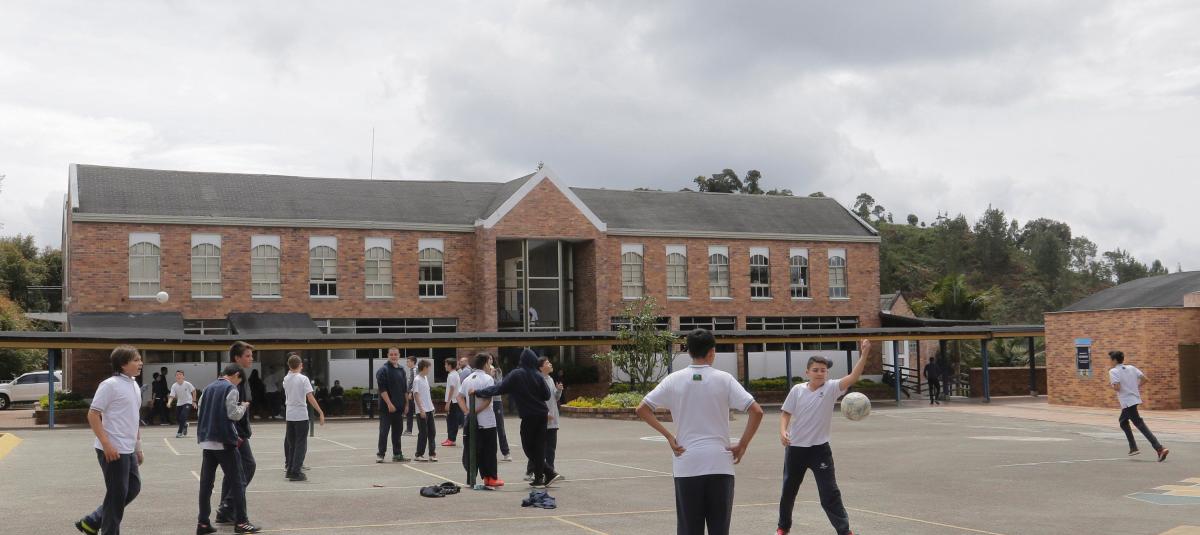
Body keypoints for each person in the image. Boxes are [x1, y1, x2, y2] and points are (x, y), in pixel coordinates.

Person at [636, 329, 764, 535]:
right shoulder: (724, 379)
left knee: (689, 529)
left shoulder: (674, 380)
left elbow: (642, 409)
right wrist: (742, 445)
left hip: (687, 463)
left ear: (688, 351)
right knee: (719, 529)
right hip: (720, 464)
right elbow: (756, 411)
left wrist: (669, 436)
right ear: (712, 352)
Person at [776, 339, 872, 535]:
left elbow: (853, 376)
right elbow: (786, 413)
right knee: (788, 491)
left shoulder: (831, 388)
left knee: (829, 492)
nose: (820, 373)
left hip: (820, 450)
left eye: (823, 370)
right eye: (816, 370)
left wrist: (864, 354)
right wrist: (782, 431)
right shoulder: (797, 390)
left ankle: (844, 530)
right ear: (807, 372)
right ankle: (783, 527)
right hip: (796, 448)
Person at [74, 345, 145, 535]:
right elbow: (93, 414)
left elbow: (134, 418)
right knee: (117, 495)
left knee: (133, 488)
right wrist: (106, 444)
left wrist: (138, 447)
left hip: (128, 448)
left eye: (140, 359)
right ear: (123, 364)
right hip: (113, 449)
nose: (140, 363)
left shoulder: (134, 385)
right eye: (136, 360)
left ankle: (92, 521)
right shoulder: (110, 385)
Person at [476, 348, 558, 488]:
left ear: (522, 360)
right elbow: (546, 395)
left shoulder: (516, 374)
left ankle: (548, 473)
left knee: (528, 447)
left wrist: (479, 392)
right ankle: (541, 478)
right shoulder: (538, 375)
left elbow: (499, 388)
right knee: (538, 447)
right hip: (542, 415)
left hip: (529, 416)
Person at [195, 364, 260, 534]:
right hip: (224, 441)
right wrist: (243, 406)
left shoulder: (208, 388)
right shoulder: (231, 389)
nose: (238, 384)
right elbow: (233, 414)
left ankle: (203, 522)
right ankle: (242, 522)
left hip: (207, 441)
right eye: (239, 381)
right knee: (237, 482)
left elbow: (200, 412)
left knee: (206, 484)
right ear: (236, 375)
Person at [216, 342, 257, 526]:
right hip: (236, 432)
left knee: (232, 471)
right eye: (247, 355)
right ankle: (228, 505)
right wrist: (238, 433)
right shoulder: (234, 379)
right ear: (236, 358)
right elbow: (230, 408)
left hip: (237, 431)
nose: (251, 358)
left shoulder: (239, 376)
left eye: (251, 355)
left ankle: (224, 511)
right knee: (248, 466)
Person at [1108, 351, 1168, 461]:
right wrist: (1134, 387)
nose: (1110, 362)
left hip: (1127, 402)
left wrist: (1112, 386)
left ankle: (1159, 448)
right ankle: (1133, 447)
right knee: (1123, 421)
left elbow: (1117, 387)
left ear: (1115, 360)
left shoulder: (1113, 371)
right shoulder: (1131, 367)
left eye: (1110, 359)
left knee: (1139, 424)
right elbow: (1145, 379)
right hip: (1134, 399)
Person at [459, 353, 501, 487]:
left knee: (472, 449)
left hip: (472, 423)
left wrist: (467, 411)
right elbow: (488, 400)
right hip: (487, 421)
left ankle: (471, 477)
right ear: (485, 364)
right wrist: (474, 411)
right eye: (489, 363)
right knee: (489, 451)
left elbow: (459, 397)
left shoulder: (467, 379)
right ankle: (490, 477)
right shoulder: (488, 379)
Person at [283, 354, 325, 481]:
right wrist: (320, 412)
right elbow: (310, 397)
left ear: (289, 366)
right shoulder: (303, 379)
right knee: (301, 444)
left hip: (289, 414)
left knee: (292, 444)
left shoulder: (286, 379)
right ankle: (296, 472)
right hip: (300, 414)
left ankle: (290, 469)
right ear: (301, 365)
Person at [375, 347, 409, 463]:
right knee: (384, 432)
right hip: (386, 409)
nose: (394, 356)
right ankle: (381, 454)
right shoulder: (383, 370)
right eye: (391, 354)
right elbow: (382, 389)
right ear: (388, 355)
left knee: (397, 432)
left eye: (395, 354)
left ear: (399, 355)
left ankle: (397, 454)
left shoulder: (401, 370)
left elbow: (404, 389)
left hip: (399, 408)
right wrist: (389, 404)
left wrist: (406, 404)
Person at [538, 357, 564, 479]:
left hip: (553, 420)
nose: (550, 364)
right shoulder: (538, 380)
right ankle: (534, 472)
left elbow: (555, 398)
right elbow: (537, 400)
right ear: (541, 367)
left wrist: (558, 391)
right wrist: (544, 413)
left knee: (551, 449)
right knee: (540, 449)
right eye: (547, 363)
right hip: (543, 420)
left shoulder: (550, 379)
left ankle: (551, 472)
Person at [412, 360, 438, 462]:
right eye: (428, 367)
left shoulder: (425, 378)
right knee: (423, 433)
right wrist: (421, 409)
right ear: (424, 368)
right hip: (422, 411)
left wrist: (432, 406)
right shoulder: (417, 380)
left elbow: (427, 394)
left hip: (429, 409)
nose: (429, 369)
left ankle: (432, 454)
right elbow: (416, 395)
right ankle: (419, 454)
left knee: (432, 432)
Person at [488, 355, 512, 462]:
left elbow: (499, 386)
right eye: (487, 359)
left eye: (491, 359)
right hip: (486, 402)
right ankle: (489, 453)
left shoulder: (497, 371)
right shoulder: (481, 372)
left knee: (500, 427)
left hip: (496, 401)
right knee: (488, 428)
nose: (489, 361)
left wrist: (492, 376)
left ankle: (506, 452)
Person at [168, 370, 197, 438]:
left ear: (183, 376)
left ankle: (179, 432)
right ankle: (185, 425)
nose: (179, 376)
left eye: (180, 374)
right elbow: (172, 396)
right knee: (178, 418)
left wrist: (194, 401)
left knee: (183, 416)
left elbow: (194, 391)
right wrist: (169, 402)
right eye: (177, 375)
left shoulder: (187, 384)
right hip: (179, 403)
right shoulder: (174, 386)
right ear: (175, 377)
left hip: (188, 402)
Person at [442, 358, 463, 447]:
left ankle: (451, 439)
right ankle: (450, 438)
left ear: (450, 365)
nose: (445, 366)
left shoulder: (452, 375)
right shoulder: (454, 374)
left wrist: (448, 402)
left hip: (453, 401)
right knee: (450, 420)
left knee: (452, 421)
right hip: (454, 401)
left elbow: (452, 388)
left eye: (446, 364)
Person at [404, 356, 418, 436]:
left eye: (408, 361)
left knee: (411, 412)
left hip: (413, 394)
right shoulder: (411, 370)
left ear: (413, 362)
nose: (407, 363)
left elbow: (415, 382)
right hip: (411, 393)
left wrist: (411, 392)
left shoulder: (415, 370)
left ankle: (409, 430)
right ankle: (409, 430)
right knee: (410, 412)